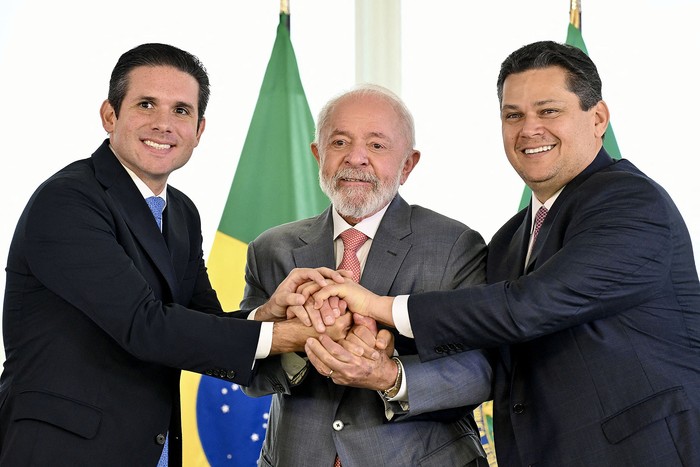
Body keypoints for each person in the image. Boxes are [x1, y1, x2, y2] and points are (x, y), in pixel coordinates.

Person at [309, 41, 700, 466]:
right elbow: (481, 344)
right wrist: (358, 339)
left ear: (598, 118)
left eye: (549, 111)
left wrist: (375, 305)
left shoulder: (632, 201)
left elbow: (531, 305)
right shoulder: (508, 239)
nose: (529, 129)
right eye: (513, 115)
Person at [0, 43, 348, 466]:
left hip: (152, 449)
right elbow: (143, 324)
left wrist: (268, 315)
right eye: (147, 104)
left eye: (181, 111)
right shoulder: (68, 200)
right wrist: (295, 334)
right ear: (110, 115)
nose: (164, 124)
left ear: (199, 131)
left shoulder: (180, 212)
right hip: (63, 451)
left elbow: (202, 320)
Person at [239, 85, 491, 466]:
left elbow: (480, 371)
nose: (355, 158)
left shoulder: (457, 245)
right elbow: (248, 373)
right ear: (317, 155)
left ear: (408, 164)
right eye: (339, 142)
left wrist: (387, 375)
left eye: (376, 145)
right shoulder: (270, 249)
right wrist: (300, 346)